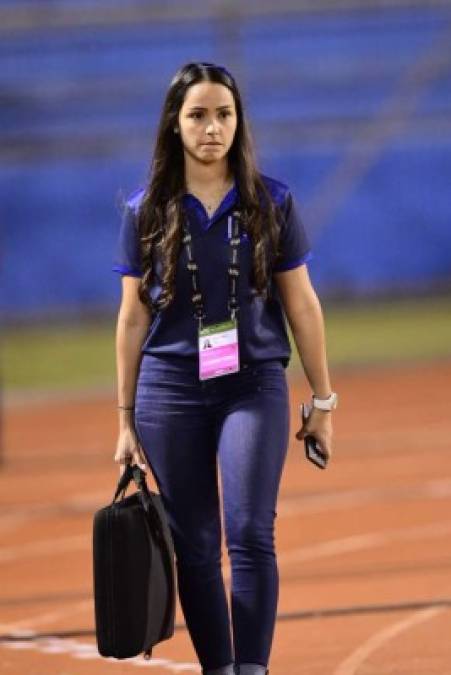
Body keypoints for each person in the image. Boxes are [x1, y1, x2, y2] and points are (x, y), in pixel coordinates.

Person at [112, 62, 337, 675]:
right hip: (169, 391)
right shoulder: (144, 211)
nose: (212, 128)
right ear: (175, 123)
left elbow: (302, 303)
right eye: (197, 115)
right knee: (197, 548)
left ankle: (253, 668)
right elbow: (132, 319)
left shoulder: (272, 201)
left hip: (253, 383)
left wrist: (322, 402)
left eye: (224, 115)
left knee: (250, 533)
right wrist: (126, 419)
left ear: (238, 122)